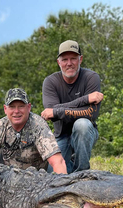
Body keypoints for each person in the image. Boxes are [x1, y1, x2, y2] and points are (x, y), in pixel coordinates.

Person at [41, 40, 103, 173]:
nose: (69, 63)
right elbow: (50, 114)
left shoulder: (91, 77)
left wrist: (57, 111)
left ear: (80, 59)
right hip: (61, 134)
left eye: (73, 58)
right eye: (64, 59)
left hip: (85, 131)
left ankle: (82, 173)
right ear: (59, 62)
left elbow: (91, 114)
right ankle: (71, 167)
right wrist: (85, 99)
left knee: (82, 125)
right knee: (53, 174)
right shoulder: (50, 82)